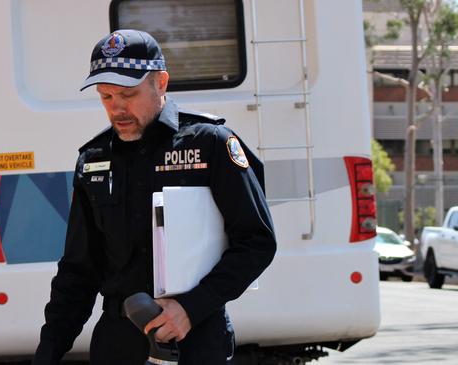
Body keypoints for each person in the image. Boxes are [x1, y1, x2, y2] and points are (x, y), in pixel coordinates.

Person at [33, 29, 276, 365]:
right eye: (106, 97)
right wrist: (46, 355)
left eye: (128, 94)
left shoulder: (209, 144)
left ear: (161, 83)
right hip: (117, 344)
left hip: (196, 338)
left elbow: (257, 242)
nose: (117, 108)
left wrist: (191, 308)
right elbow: (78, 272)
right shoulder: (93, 160)